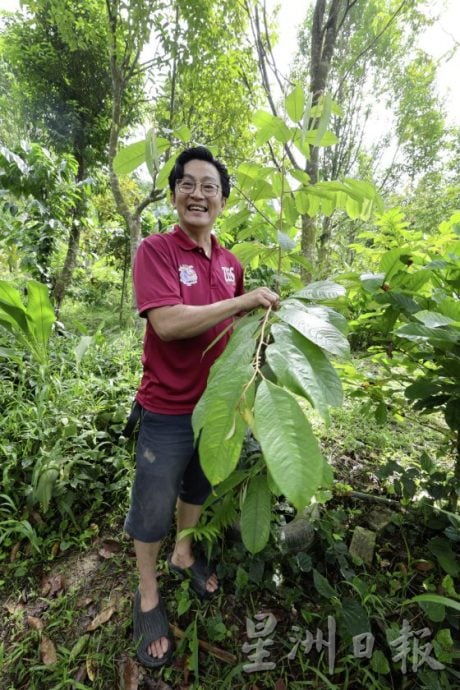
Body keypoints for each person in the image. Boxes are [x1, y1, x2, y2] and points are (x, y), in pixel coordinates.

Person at [125, 146, 279, 667]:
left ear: (222, 200)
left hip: (219, 408)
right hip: (167, 410)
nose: (198, 194)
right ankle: (147, 593)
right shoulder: (156, 251)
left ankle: (183, 551)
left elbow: (234, 331)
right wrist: (242, 301)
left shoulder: (232, 263)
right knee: (152, 505)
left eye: (209, 186)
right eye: (187, 184)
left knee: (199, 486)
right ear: (173, 195)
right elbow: (167, 324)